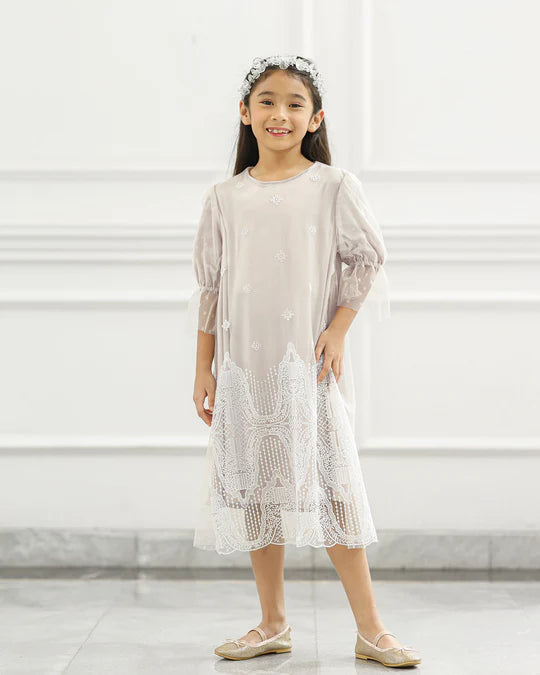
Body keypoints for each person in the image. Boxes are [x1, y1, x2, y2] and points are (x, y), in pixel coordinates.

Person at [188, 54, 421, 667]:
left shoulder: (333, 186)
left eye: (295, 104)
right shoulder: (224, 197)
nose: (280, 114)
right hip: (244, 367)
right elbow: (210, 289)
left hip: (306, 365)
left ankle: (372, 630)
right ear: (245, 113)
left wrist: (338, 330)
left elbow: (366, 259)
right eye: (267, 101)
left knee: (335, 490)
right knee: (255, 491)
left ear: (315, 118)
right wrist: (203, 369)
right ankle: (272, 623)